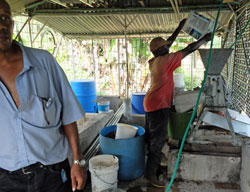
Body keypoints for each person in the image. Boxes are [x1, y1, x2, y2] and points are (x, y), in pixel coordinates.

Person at [0, 1, 87, 191]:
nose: (2, 25)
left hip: (53, 174)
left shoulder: (43, 62)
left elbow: (68, 115)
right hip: (6, 179)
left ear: (12, 24)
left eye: (5, 18)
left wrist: (78, 162)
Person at [143, 19, 212, 188]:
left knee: (154, 138)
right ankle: (150, 174)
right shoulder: (165, 61)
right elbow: (188, 49)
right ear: (161, 50)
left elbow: (167, 45)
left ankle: (154, 168)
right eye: (166, 46)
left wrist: (179, 28)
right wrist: (204, 39)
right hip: (158, 105)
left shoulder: (155, 60)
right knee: (158, 140)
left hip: (151, 103)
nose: (169, 47)